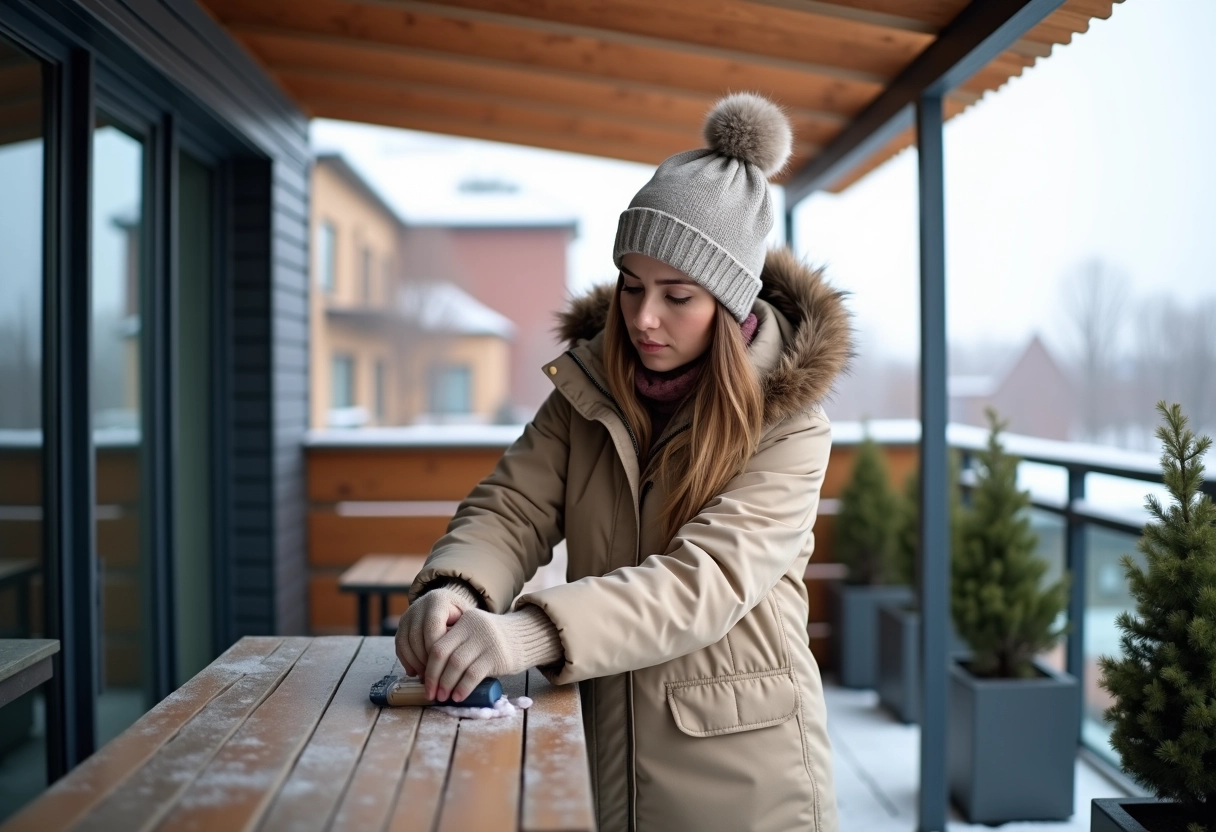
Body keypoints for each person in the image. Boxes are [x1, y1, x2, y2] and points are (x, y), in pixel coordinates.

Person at [396, 92, 853, 832]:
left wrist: (528, 633)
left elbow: (705, 581)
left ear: (732, 305)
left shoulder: (790, 424)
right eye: (632, 287)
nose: (643, 319)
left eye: (677, 296)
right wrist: (459, 586)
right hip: (604, 752)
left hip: (742, 780)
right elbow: (511, 508)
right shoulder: (587, 388)